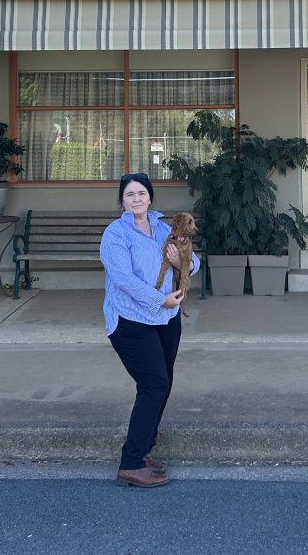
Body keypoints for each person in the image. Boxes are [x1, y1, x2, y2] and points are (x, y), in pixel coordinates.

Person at [100, 171, 199, 488]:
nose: (137, 199)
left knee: (164, 382)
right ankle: (130, 463)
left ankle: (142, 450)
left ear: (150, 197)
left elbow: (193, 262)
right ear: (122, 201)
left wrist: (179, 262)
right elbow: (124, 281)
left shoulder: (163, 228)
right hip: (130, 320)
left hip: (166, 319)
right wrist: (161, 300)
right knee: (154, 383)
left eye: (141, 193)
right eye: (130, 194)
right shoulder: (115, 234)